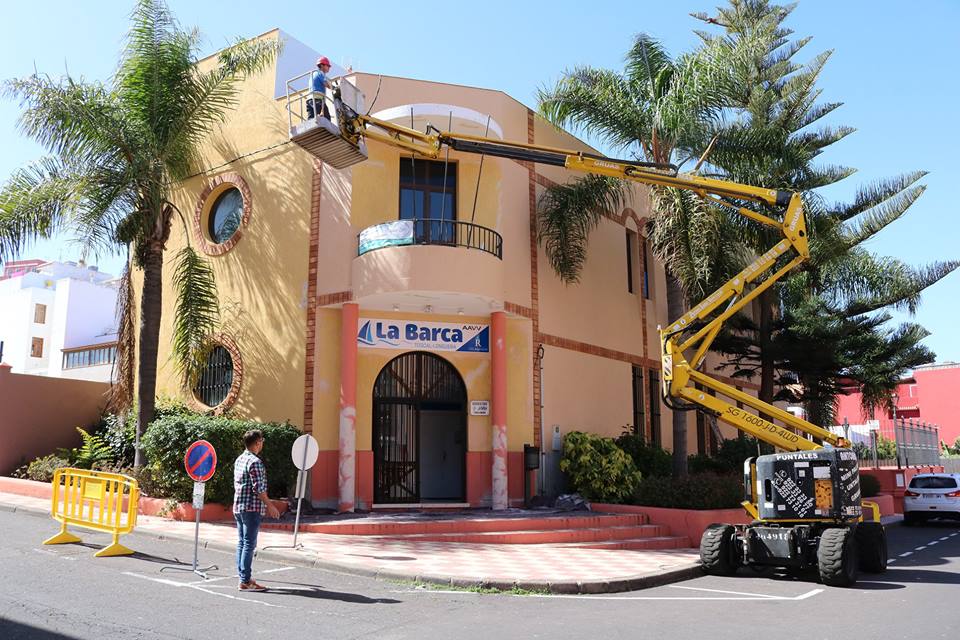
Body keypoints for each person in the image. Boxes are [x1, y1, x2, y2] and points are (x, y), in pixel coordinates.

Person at [233, 429, 281, 592]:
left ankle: (243, 577)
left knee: (242, 542)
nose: (262, 444)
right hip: (251, 508)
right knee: (249, 543)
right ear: (257, 442)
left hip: (239, 506)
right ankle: (245, 581)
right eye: (262, 441)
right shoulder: (255, 462)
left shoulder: (240, 459)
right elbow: (259, 488)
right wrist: (270, 505)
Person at [306, 56, 333, 120]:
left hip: (310, 100)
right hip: (317, 99)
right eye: (327, 66)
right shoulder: (320, 73)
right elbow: (327, 85)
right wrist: (333, 87)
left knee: (311, 119)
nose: (329, 67)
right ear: (322, 65)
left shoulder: (313, 74)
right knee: (327, 118)